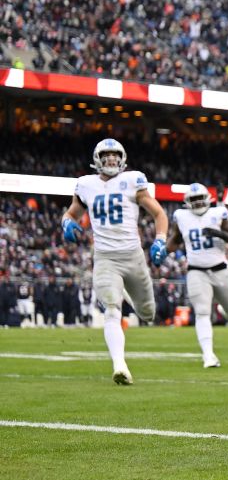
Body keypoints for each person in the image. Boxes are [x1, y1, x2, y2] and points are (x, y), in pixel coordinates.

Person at [61, 138, 168, 384]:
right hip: (105, 257)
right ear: (97, 159)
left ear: (123, 158)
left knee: (148, 313)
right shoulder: (85, 184)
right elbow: (71, 212)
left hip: (132, 256)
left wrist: (160, 239)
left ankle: (128, 294)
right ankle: (120, 366)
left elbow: (159, 213)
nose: (111, 159)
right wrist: (66, 222)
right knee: (111, 309)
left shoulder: (132, 180)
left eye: (115, 155)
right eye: (106, 155)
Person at [166, 183, 228, 367]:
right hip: (196, 270)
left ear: (207, 198)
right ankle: (208, 355)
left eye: (200, 198)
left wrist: (219, 233)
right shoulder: (182, 217)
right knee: (202, 312)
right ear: (187, 202)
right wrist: (163, 249)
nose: (198, 202)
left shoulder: (217, 214)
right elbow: (175, 240)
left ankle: (225, 311)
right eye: (193, 199)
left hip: (220, 269)